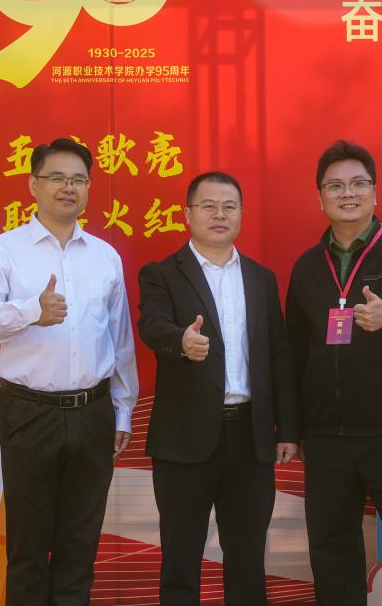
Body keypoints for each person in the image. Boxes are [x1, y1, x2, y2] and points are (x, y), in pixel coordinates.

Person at [0, 138, 139, 606]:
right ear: (33, 185)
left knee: (79, 549)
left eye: (79, 179)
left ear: (88, 188)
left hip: (92, 412)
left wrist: (122, 411)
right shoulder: (3, 251)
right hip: (29, 412)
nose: (68, 188)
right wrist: (30, 312)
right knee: (27, 548)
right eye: (57, 177)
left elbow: (120, 341)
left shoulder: (104, 256)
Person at [137, 171, 299, 605]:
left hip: (250, 436)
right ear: (188, 214)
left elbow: (279, 353)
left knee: (247, 556)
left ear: (241, 214)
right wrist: (180, 341)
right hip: (184, 438)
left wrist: (287, 429)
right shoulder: (161, 274)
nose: (219, 214)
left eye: (229, 206)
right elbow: (152, 325)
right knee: (180, 557)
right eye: (208, 206)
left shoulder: (261, 278)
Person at [285, 141, 382, 605]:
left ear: (375, 192)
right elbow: (293, 353)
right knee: (331, 549)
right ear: (320, 198)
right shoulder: (307, 268)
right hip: (327, 436)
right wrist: (292, 428)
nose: (347, 193)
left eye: (357, 184)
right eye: (335, 186)